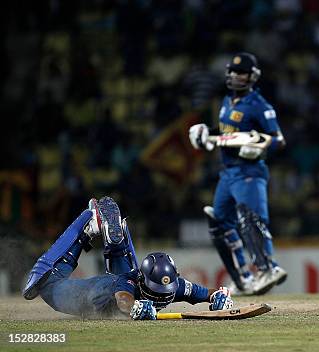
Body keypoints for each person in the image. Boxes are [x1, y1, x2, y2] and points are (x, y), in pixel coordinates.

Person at [22, 196, 233, 320]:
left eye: (165, 291)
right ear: (142, 280)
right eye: (155, 292)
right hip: (85, 296)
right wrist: (135, 307)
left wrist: (218, 296)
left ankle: (117, 240)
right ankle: (88, 225)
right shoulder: (128, 282)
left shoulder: (174, 285)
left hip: (118, 279)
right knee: (48, 287)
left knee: (123, 263)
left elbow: (203, 293)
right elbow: (124, 300)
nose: (161, 297)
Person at [189, 52, 287, 295]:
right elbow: (226, 132)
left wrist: (258, 144)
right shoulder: (227, 101)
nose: (235, 76)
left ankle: (269, 268)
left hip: (249, 172)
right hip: (228, 173)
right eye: (232, 72)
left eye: (240, 72)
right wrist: (207, 135)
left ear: (252, 76)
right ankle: (243, 278)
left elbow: (279, 140)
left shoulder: (259, 106)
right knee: (219, 223)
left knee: (251, 218)